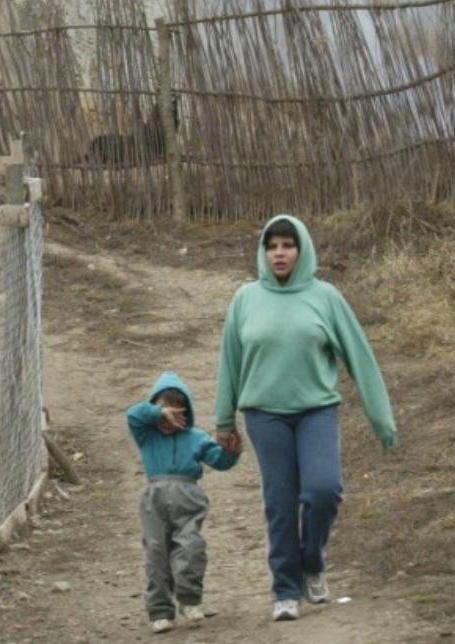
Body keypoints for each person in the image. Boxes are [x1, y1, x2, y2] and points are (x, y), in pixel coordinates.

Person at [212, 215, 397, 623]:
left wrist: (381, 418)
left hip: (316, 411)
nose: (279, 253)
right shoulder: (245, 298)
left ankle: (312, 561)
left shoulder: (325, 296)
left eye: (287, 246)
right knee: (280, 502)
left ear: (302, 250)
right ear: (263, 252)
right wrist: (223, 419)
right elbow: (230, 360)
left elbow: (359, 357)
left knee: (323, 490)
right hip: (265, 415)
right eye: (272, 246)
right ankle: (286, 589)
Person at [126, 371, 242, 634]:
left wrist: (231, 453)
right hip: (153, 500)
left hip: (189, 497)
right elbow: (133, 414)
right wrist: (158, 413)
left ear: (186, 414)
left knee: (191, 547)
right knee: (156, 553)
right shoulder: (147, 436)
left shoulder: (196, 437)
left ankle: (190, 598)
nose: (170, 421)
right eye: (165, 414)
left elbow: (219, 461)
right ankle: (160, 610)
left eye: (177, 415)